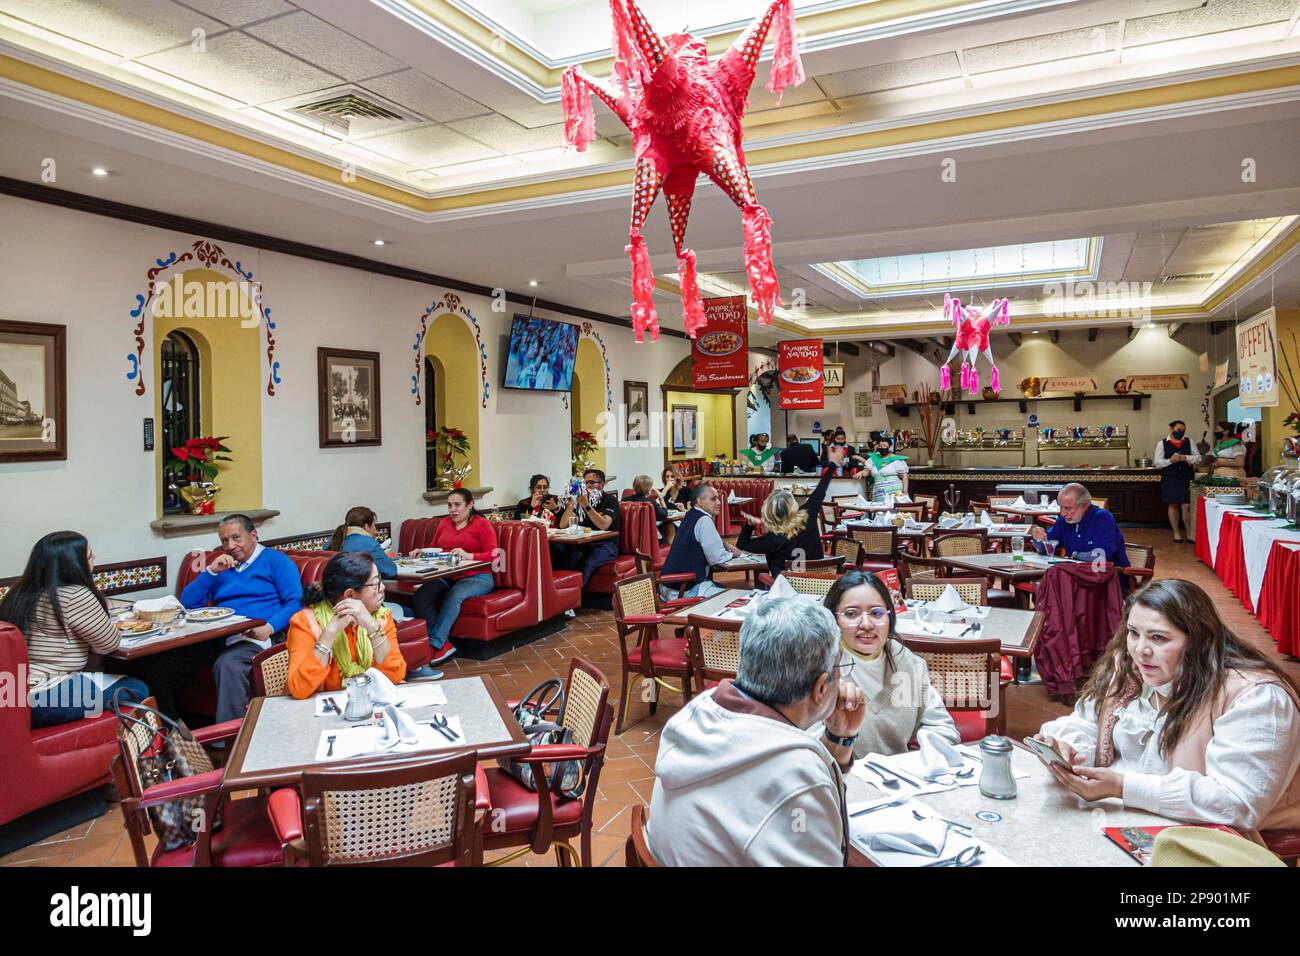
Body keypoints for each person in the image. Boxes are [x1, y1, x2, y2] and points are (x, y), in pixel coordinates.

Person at [1033, 579, 1300, 836]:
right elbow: (1085, 720)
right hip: (1118, 816)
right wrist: (1068, 748)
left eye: (1158, 638)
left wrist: (1122, 786)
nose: (1140, 650)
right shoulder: (1132, 668)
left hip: (1199, 838)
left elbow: (1237, 802)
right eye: (1133, 633)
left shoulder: (1256, 697)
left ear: (1198, 640)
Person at [647, 597, 865, 866]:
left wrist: (838, 737)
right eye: (839, 670)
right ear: (821, 688)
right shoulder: (799, 775)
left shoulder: (695, 714)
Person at [136, 515, 301, 722]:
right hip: (218, 635)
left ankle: (230, 741)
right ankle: (171, 732)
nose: (230, 546)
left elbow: (295, 602)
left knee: (228, 665)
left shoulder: (276, 561)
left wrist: (269, 627)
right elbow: (188, 602)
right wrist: (211, 571)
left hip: (257, 636)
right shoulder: (221, 566)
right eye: (224, 540)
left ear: (253, 535)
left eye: (236, 538)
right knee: (161, 666)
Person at [0, 532, 149, 728]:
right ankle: (145, 751)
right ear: (74, 564)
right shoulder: (76, 595)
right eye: (90, 556)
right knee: (137, 688)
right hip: (45, 698)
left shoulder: (17, 593)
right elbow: (109, 644)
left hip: (13, 693)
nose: (94, 560)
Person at [811, 570, 959, 756]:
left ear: (890, 617)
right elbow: (806, 749)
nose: (866, 624)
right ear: (834, 619)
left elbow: (943, 727)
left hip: (901, 778)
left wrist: (927, 758)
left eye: (877, 612)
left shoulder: (907, 662)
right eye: (851, 614)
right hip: (840, 779)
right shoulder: (818, 669)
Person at [285, 552, 406, 699]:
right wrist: (328, 634)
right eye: (375, 584)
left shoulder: (380, 618)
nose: (382, 588)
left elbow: (395, 676)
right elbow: (299, 689)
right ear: (350, 596)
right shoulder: (305, 622)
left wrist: (372, 627)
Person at [409, 488, 496, 670]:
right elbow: (435, 548)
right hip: (447, 576)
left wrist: (469, 555)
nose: (453, 510)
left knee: (454, 595)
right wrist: (421, 552)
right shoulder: (444, 524)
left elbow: (494, 555)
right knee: (421, 596)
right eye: (449, 505)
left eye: (457, 505)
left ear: (470, 505)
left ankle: (434, 644)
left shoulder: (482, 524)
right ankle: (444, 644)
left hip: (478, 577)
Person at [738, 445, 844, 577]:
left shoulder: (772, 539)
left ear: (770, 513)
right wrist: (833, 464)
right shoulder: (807, 514)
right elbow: (821, 489)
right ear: (793, 505)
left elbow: (742, 544)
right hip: (819, 585)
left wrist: (749, 525)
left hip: (787, 590)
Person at [1029, 482, 1130, 588]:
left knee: (1051, 590)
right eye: (1061, 507)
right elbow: (1047, 547)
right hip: (1077, 580)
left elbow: (1100, 557)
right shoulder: (1064, 520)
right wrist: (1039, 538)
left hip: (1109, 584)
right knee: (1043, 589)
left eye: (1068, 508)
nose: (1062, 513)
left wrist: (1074, 555)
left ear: (1084, 506)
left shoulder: (1102, 518)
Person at [658, 483, 743, 598]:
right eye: (713, 499)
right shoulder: (703, 520)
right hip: (683, 589)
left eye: (718, 498)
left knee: (722, 589)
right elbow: (716, 558)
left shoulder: (690, 515)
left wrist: (725, 546)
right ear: (700, 501)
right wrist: (733, 554)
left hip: (668, 586)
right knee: (733, 598)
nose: (718, 502)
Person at [553, 469, 621, 586]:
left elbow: (604, 525)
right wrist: (572, 503)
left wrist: (586, 505)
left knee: (588, 564)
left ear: (602, 484)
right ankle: (559, 594)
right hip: (584, 543)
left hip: (606, 544)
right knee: (564, 558)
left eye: (591, 482)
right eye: (585, 483)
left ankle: (576, 598)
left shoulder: (610, 501)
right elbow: (563, 525)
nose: (587, 486)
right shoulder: (581, 500)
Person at [1154, 420, 1200, 542]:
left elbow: (1198, 458)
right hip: (1170, 477)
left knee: (1186, 505)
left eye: (1183, 430)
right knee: (1173, 504)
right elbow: (1157, 462)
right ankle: (1176, 533)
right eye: (1179, 430)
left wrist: (1185, 457)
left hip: (1186, 476)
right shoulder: (1162, 443)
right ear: (1171, 429)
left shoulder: (1189, 441)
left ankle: (1190, 533)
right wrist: (1170, 460)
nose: (1181, 432)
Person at [860, 430, 910, 501]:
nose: (882, 447)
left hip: (896, 495)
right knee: (879, 511)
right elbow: (866, 471)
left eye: (885, 446)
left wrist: (905, 491)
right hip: (879, 495)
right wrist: (860, 473)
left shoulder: (897, 460)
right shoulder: (873, 458)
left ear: (889, 447)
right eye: (880, 446)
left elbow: (904, 477)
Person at [626, 474, 672, 544]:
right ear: (648, 490)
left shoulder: (624, 501)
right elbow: (664, 514)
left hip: (628, 537)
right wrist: (661, 498)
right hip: (648, 538)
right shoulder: (650, 503)